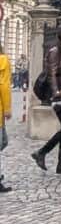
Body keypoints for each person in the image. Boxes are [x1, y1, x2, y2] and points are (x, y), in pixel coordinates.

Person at [31, 24, 61, 175]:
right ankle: (42, 153)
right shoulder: (54, 52)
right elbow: (51, 75)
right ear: (60, 37)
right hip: (58, 95)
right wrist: (56, 95)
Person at [0, 43, 11, 193]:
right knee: (2, 142)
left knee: (3, 141)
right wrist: (7, 108)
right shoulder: (3, 60)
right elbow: (3, 85)